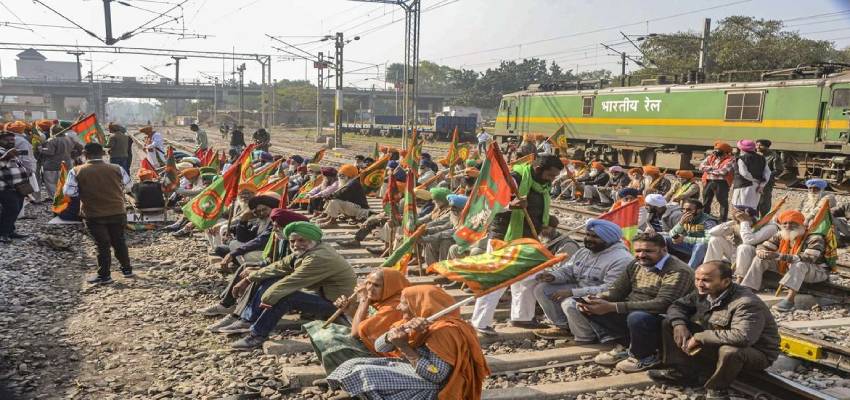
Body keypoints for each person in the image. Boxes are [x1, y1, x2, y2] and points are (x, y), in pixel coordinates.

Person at [327, 285, 490, 400]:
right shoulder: (413, 321)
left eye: (404, 303)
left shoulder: (444, 332)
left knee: (366, 373)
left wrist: (404, 347)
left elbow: (436, 375)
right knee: (354, 363)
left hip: (437, 388)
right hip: (416, 370)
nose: (398, 307)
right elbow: (380, 346)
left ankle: (355, 392)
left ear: (419, 305)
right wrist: (399, 334)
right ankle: (345, 385)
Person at [650, 261, 780, 400]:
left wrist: (699, 337)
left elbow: (743, 337)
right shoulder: (704, 292)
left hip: (756, 352)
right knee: (669, 323)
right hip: (719, 342)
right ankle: (682, 372)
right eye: (697, 279)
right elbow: (678, 306)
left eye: (706, 280)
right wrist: (678, 324)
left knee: (730, 351)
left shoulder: (746, 303)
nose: (700, 284)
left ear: (726, 281)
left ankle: (717, 389)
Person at [471, 154, 563, 335]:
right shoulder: (515, 178)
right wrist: (510, 205)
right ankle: (480, 323)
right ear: (538, 170)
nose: (552, 180)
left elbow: (537, 207)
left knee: (528, 279)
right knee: (497, 280)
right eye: (551, 175)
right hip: (505, 237)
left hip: (530, 238)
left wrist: (545, 221)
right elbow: (489, 201)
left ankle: (522, 317)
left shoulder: (543, 184)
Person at [229, 222, 357, 349]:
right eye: (292, 241)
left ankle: (257, 335)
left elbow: (290, 282)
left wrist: (267, 299)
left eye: (302, 240)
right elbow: (279, 266)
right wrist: (249, 278)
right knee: (268, 278)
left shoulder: (318, 257)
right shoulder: (309, 249)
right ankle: (248, 320)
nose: (296, 245)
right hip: (322, 295)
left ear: (313, 240)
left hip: (338, 305)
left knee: (285, 297)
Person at [583, 233, 695, 372]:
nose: (641, 255)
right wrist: (598, 298)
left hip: (665, 317)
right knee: (589, 306)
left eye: (648, 251)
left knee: (637, 317)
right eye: (638, 251)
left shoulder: (677, 270)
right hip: (634, 310)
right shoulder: (636, 264)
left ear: (664, 250)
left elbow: (663, 303)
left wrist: (613, 307)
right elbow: (617, 291)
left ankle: (645, 356)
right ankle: (626, 346)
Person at [532, 219, 633, 340]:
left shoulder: (621, 259)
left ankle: (587, 337)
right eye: (588, 235)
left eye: (595, 236)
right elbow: (569, 270)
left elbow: (610, 289)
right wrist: (553, 276)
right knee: (543, 288)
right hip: (581, 289)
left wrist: (572, 293)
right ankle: (563, 327)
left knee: (570, 303)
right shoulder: (584, 252)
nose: (589, 239)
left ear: (608, 239)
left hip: (606, 298)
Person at [201, 208, 308, 320]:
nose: (274, 229)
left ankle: (244, 317)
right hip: (281, 272)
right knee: (246, 267)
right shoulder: (282, 239)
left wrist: (256, 273)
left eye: (277, 226)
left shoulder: (304, 246)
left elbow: (290, 270)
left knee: (258, 277)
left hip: (298, 285)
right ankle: (227, 305)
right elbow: (274, 261)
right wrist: (258, 267)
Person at [305, 268, 411, 375]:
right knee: (318, 328)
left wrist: (364, 300)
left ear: (390, 287)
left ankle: (343, 376)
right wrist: (348, 310)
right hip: (373, 344)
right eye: (368, 283)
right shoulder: (384, 299)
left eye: (376, 285)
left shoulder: (394, 307)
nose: (369, 288)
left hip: (389, 356)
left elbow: (355, 333)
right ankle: (335, 375)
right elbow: (364, 324)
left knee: (330, 338)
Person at [64, 143, 132, 284]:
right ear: (103, 153)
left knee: (102, 244)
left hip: (93, 213)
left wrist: (84, 191)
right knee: (119, 241)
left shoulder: (76, 170)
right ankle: (127, 269)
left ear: (85, 154)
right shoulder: (116, 168)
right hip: (117, 211)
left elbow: (69, 192)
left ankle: (104, 275)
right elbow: (129, 186)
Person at [740, 210, 830, 312]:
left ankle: (790, 301)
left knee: (799, 264)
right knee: (760, 258)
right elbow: (764, 246)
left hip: (817, 271)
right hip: (788, 267)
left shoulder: (814, 237)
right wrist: (761, 251)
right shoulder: (781, 235)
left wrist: (779, 256)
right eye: (785, 223)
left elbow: (809, 258)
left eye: (793, 223)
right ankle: (748, 288)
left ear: (801, 224)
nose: (788, 226)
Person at [704, 206, 778, 282]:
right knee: (715, 239)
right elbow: (712, 232)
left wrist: (744, 221)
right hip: (736, 257)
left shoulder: (770, 227)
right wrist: (733, 221)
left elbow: (748, 240)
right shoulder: (738, 224)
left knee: (744, 247)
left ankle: (740, 279)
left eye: (740, 214)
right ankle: (709, 272)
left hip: (759, 258)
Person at [666, 199, 717, 269]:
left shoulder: (708, 221)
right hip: (690, 245)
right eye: (683, 209)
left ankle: (689, 270)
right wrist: (680, 224)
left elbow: (709, 240)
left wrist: (684, 239)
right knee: (663, 238)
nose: (685, 212)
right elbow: (671, 233)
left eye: (689, 210)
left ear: (699, 210)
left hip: (704, 249)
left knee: (700, 245)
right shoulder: (685, 218)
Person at [0, 131, 30, 243]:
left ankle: (10, 231)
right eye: (6, 140)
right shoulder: (3, 152)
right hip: (5, 188)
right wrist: (7, 156)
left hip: (19, 187)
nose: (10, 142)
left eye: (12, 140)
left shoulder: (11, 151)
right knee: (11, 209)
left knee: (15, 210)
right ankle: (2, 233)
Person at [40, 125, 81, 198]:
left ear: (52, 132)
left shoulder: (53, 141)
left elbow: (50, 152)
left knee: (51, 184)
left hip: (52, 166)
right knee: (64, 183)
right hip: (66, 165)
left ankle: (56, 199)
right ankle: (63, 199)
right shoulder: (69, 139)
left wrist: (41, 149)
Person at [699, 141, 734, 220]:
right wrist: (713, 168)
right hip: (708, 181)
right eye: (715, 149)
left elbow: (722, 172)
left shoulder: (731, 159)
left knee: (722, 202)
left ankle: (722, 219)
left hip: (722, 183)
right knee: (706, 200)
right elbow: (701, 167)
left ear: (724, 151)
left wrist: (708, 169)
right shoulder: (711, 157)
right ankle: (704, 217)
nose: (715, 151)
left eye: (718, 150)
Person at [731, 139, 769, 210]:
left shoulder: (741, 159)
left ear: (741, 149)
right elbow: (767, 173)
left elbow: (744, 174)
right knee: (752, 210)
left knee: (739, 209)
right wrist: (761, 184)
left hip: (743, 187)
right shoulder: (762, 158)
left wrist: (754, 180)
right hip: (756, 188)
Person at [756, 139, 783, 218]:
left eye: (760, 145)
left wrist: (767, 175)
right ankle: (755, 220)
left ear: (766, 147)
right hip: (755, 182)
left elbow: (779, 170)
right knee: (754, 202)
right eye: (756, 145)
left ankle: (764, 220)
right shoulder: (756, 155)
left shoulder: (774, 156)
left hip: (766, 183)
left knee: (764, 202)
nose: (757, 147)